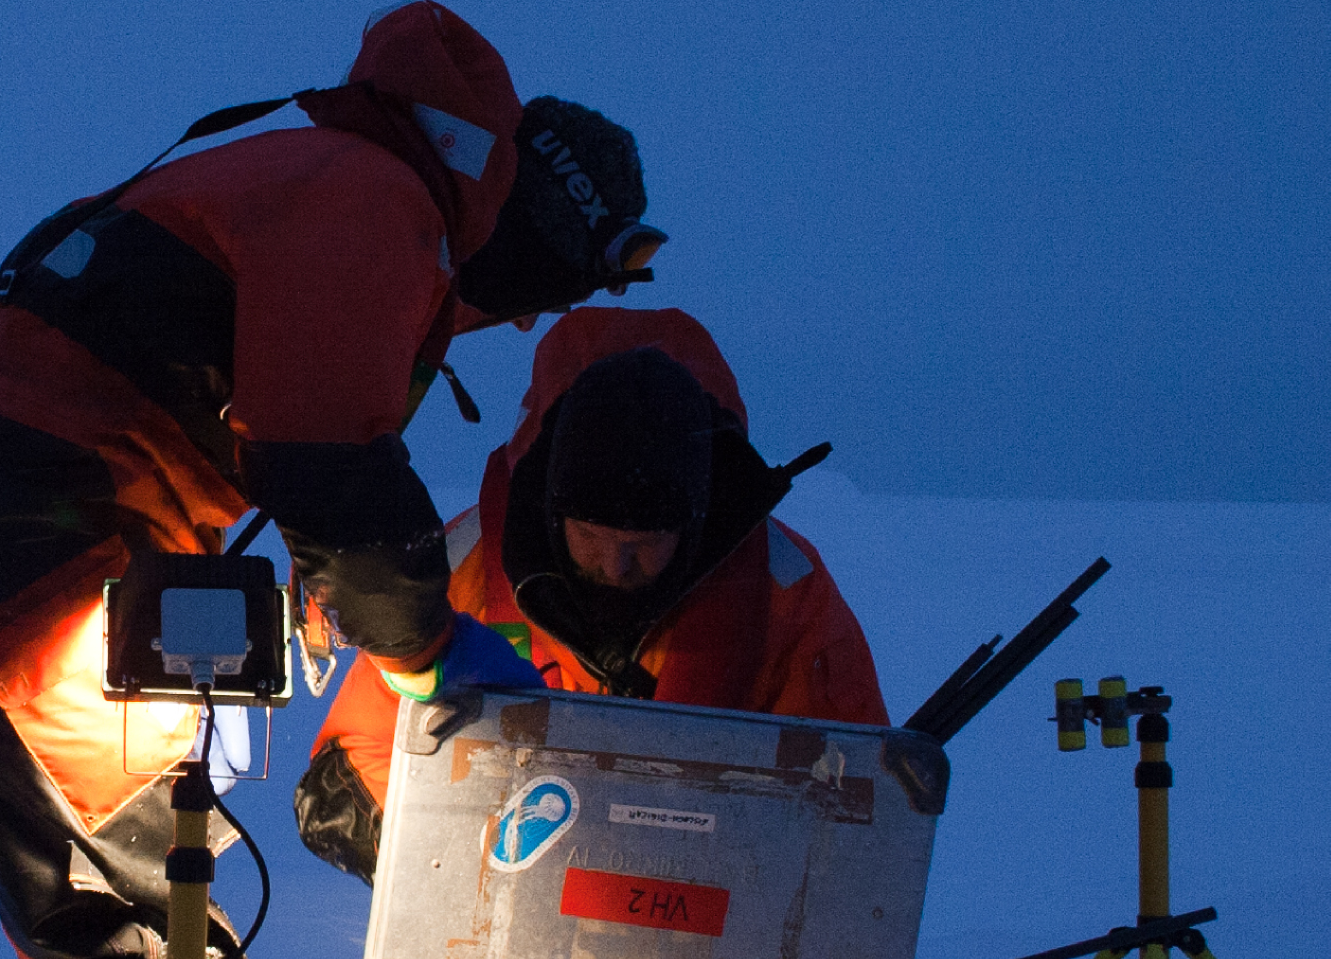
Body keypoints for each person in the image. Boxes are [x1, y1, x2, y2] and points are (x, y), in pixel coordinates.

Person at [0, 1, 655, 959]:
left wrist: (318, 584)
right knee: (122, 914)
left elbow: (271, 415)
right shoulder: (371, 205)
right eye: (566, 278)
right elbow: (328, 462)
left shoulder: (322, 172)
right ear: (522, 214)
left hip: (36, 506)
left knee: (112, 889)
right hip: (34, 525)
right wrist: (426, 646)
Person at [295, 306, 887, 880]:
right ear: (552, 513)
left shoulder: (787, 592)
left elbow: (858, 805)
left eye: (645, 542)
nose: (615, 564)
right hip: (499, 935)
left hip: (711, 945)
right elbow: (354, 767)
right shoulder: (464, 564)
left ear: (696, 521)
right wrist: (461, 866)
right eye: (590, 536)